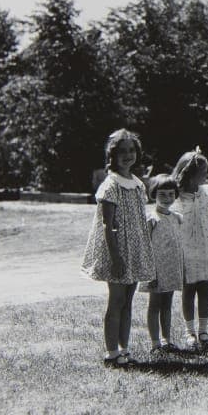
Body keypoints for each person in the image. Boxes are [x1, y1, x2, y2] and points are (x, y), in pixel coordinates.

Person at [80, 129, 155, 367]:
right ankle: (111, 353)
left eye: (131, 150)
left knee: (128, 302)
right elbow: (107, 224)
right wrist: (116, 257)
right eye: (122, 151)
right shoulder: (110, 185)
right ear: (112, 155)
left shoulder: (137, 184)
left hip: (134, 249)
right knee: (116, 301)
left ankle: (124, 349)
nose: (127, 155)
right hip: (118, 252)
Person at [172, 147, 208, 348]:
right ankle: (189, 331)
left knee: (205, 288)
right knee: (188, 290)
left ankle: (203, 330)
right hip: (186, 249)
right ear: (190, 174)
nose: (206, 175)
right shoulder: (176, 196)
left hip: (207, 246)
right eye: (202, 171)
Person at [140, 174, 184, 355]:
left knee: (167, 304)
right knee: (155, 304)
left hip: (171, 267)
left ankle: (167, 340)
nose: (167, 199)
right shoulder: (151, 218)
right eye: (162, 194)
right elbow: (146, 246)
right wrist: (150, 272)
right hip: (156, 269)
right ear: (153, 195)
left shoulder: (177, 217)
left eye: (170, 194)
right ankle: (155, 343)